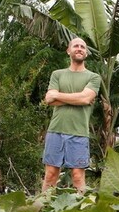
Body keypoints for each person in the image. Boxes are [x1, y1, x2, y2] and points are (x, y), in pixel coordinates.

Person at [42, 37, 102, 193]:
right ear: (69, 51)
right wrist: (78, 98)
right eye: (76, 46)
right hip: (55, 130)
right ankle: (43, 210)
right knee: (50, 175)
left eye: (83, 47)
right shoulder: (57, 74)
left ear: (86, 53)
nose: (79, 48)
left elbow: (86, 98)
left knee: (77, 176)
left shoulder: (93, 77)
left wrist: (59, 96)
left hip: (79, 133)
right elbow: (49, 99)